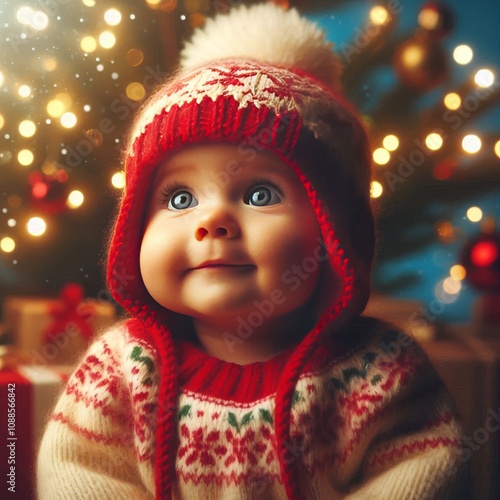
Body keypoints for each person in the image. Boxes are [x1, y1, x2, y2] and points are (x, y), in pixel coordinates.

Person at [37, 3, 468, 499]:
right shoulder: (122, 368)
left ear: (332, 233)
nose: (212, 220)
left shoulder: (381, 371)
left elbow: (428, 472)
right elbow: (78, 472)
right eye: (180, 198)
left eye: (259, 194)